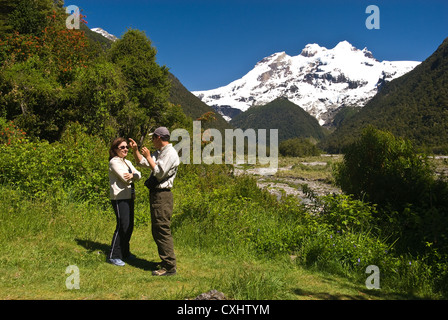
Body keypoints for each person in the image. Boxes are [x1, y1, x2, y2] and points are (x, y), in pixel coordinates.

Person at [129, 127, 180, 276]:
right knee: (157, 229)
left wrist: (149, 157)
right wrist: (135, 151)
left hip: (163, 195)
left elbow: (159, 172)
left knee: (162, 229)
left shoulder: (170, 153)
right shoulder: (160, 153)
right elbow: (143, 163)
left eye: (153, 138)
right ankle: (166, 262)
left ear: (159, 138)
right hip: (157, 195)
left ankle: (169, 267)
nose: (152, 141)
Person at [107, 137, 141, 267]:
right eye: (122, 147)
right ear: (115, 149)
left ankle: (125, 252)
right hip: (119, 198)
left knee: (129, 225)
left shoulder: (127, 162)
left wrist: (133, 175)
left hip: (129, 197)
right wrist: (134, 175)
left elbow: (139, 174)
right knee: (123, 225)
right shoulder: (114, 162)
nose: (125, 149)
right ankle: (113, 255)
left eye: (126, 147)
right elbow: (125, 179)